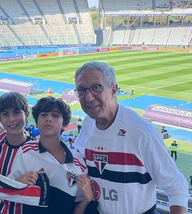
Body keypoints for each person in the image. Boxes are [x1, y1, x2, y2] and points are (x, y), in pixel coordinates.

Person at [73, 61, 189, 214]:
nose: (88, 97)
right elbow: (77, 160)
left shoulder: (141, 132)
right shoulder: (88, 125)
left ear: (114, 90)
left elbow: (176, 186)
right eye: (81, 90)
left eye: (96, 87)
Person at [8, 96, 94, 214]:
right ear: (37, 122)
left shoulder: (78, 161)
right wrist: (19, 181)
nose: (49, 119)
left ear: (64, 124)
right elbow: (8, 190)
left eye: (55, 115)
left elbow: (76, 210)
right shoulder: (26, 151)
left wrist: (87, 199)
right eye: (43, 115)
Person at [0, 91, 31, 214]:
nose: (11, 119)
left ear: (27, 114)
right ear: (0, 119)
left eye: (17, 112)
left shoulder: (35, 149)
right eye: (5, 114)